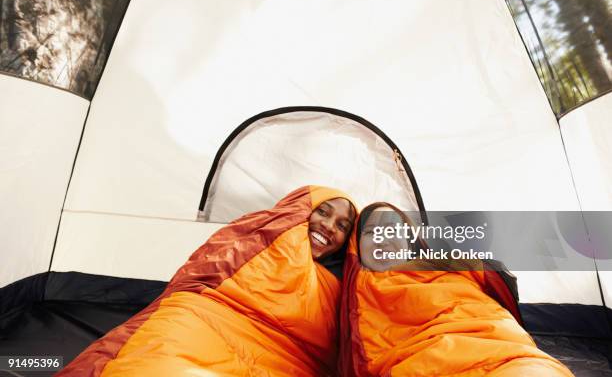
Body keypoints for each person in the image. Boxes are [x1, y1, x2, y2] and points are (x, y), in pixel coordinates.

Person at [58, 186, 357, 377]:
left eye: (342, 225)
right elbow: (207, 270)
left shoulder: (342, 285)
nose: (329, 227)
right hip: (210, 315)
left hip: (285, 353)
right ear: (301, 211)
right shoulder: (261, 236)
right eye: (323, 212)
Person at [339, 202, 574, 377]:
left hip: (507, 357)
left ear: (409, 241)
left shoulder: (450, 269)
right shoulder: (357, 293)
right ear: (355, 246)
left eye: (391, 230)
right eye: (370, 232)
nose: (381, 239)